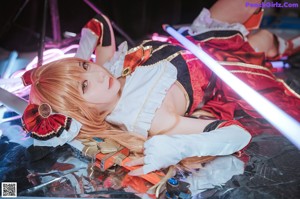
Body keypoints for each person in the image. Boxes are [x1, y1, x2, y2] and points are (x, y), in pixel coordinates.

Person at [19, 0, 300, 188]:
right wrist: (179, 147)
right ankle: (288, 46)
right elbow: (238, 134)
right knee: (261, 43)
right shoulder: (150, 117)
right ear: (83, 112)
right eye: (84, 86)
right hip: (229, 76)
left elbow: (99, 23)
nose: (95, 74)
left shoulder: (104, 73)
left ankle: (285, 46)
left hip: (204, 41)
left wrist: (76, 63)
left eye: (85, 68)